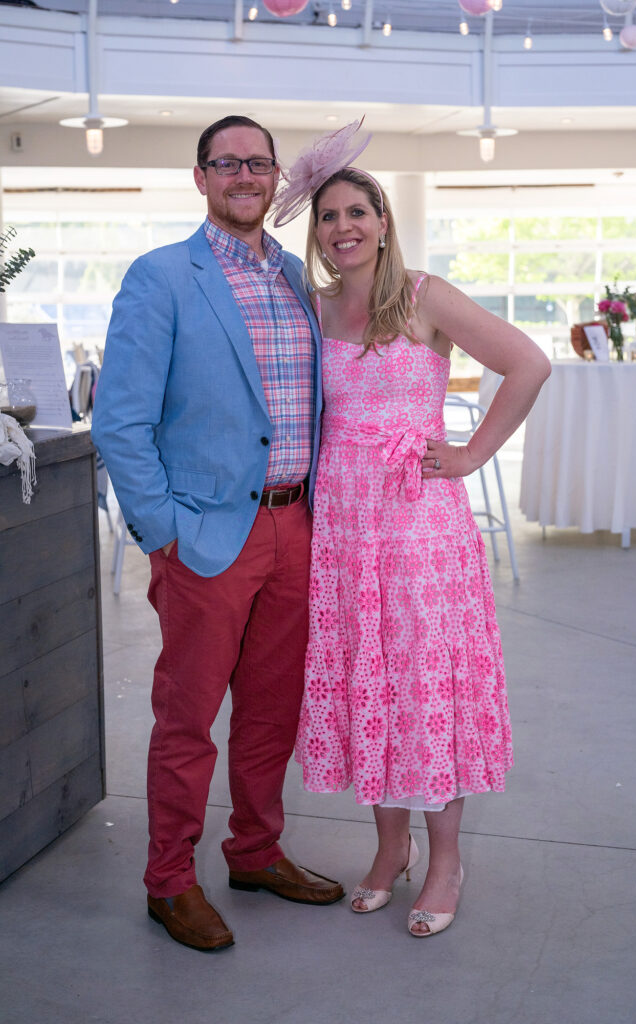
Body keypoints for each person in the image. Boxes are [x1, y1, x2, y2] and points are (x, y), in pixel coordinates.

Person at [271, 122, 551, 938]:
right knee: (372, 681)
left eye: (357, 212)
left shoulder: (423, 296)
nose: (343, 227)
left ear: (384, 220)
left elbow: (528, 362)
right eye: (329, 216)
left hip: (419, 529)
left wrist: (469, 456)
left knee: (426, 683)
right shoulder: (317, 306)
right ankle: (390, 850)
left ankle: (447, 859)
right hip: (344, 529)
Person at [91, 115, 345, 953]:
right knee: (188, 718)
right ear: (200, 177)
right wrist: (161, 530)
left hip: (296, 527)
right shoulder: (162, 276)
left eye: (258, 162)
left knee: (272, 712)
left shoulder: (297, 281)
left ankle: (255, 853)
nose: (244, 175)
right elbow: (120, 422)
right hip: (203, 536)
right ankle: (169, 880)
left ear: (276, 177)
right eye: (226, 163)